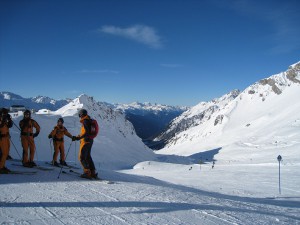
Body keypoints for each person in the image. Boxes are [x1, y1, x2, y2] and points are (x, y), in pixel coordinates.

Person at [74, 109, 98, 179]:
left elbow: (86, 132)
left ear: (81, 114)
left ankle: (87, 172)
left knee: (81, 157)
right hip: (90, 140)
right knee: (87, 156)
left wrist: (79, 138)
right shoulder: (89, 120)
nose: (79, 116)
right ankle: (92, 172)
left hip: (85, 141)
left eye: (79, 115)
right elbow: (86, 132)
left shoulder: (85, 121)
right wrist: (79, 136)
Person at [0, 108, 13, 174]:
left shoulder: (5, 119)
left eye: (6, 113)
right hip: (1, 138)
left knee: (6, 152)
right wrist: (3, 120)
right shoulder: (1, 119)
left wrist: (10, 120)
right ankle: (1, 167)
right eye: (4, 113)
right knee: (3, 153)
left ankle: (2, 166)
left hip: (6, 137)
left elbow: (10, 125)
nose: (5, 114)